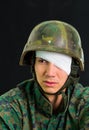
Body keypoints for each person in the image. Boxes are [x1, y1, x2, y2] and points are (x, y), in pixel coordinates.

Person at [0, 20, 89, 130]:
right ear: (33, 64)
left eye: (60, 63)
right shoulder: (10, 106)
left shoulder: (84, 103)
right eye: (42, 61)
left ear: (73, 68)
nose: (50, 73)